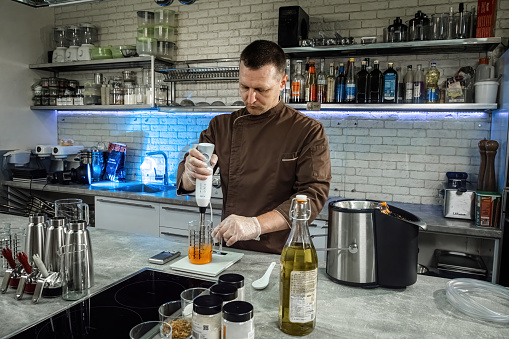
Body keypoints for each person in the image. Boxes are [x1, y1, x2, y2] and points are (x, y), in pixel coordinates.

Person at [176, 40, 331, 254]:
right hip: (227, 249)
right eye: (244, 87)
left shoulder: (307, 131)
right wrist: (191, 174)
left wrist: (255, 225)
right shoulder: (221, 126)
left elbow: (312, 196)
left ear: (283, 82)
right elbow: (186, 180)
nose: (250, 98)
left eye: (261, 89)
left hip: (279, 254)